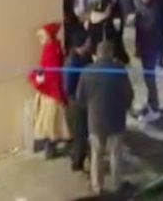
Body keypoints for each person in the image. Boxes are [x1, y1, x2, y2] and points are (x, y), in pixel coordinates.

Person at [75, 39, 134, 196]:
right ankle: (117, 185)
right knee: (116, 154)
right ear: (111, 53)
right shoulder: (119, 70)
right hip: (116, 119)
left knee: (96, 155)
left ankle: (97, 187)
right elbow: (129, 94)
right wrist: (125, 106)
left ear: (97, 54)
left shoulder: (87, 71)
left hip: (95, 120)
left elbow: (80, 98)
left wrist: (90, 107)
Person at [29, 23, 69, 158]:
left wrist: (38, 78)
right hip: (51, 91)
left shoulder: (51, 50)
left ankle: (50, 149)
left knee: (50, 121)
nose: (40, 39)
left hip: (50, 92)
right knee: (52, 121)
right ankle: (52, 147)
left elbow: (50, 72)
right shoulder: (54, 48)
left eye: (42, 36)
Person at [133, 0, 163, 121]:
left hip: (151, 49)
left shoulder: (155, 10)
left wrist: (136, 21)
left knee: (150, 79)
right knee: (147, 78)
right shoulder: (142, 7)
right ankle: (151, 102)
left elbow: (149, 27)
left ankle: (155, 108)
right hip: (144, 48)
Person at [63, 36, 93, 173]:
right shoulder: (73, 62)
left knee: (83, 132)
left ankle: (81, 158)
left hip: (83, 100)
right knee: (80, 133)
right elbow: (68, 86)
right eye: (87, 41)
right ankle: (78, 161)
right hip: (77, 102)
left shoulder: (83, 57)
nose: (90, 43)